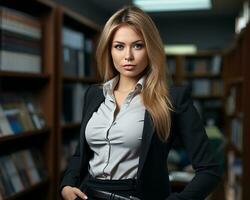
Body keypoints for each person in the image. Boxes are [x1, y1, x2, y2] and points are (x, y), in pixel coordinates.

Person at [60, 5, 221, 200]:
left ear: (150, 48)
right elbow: (81, 155)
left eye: (138, 45)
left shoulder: (172, 98)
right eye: (119, 46)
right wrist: (67, 184)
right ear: (109, 50)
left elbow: (209, 170)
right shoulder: (94, 94)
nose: (128, 56)